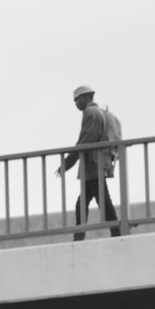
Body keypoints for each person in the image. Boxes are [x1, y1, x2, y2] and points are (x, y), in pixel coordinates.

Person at [56, 85, 122, 240]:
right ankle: (81, 235)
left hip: (93, 165)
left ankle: (117, 232)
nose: (76, 104)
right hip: (95, 164)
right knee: (84, 203)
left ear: (86, 97)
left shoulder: (90, 113)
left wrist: (68, 162)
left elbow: (85, 140)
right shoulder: (99, 112)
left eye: (77, 100)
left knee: (102, 201)